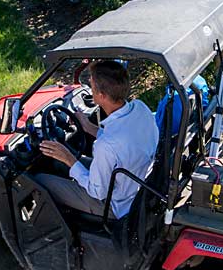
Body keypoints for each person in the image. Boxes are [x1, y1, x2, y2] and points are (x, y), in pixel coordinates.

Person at [36, 60, 159, 219]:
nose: (90, 91)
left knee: (40, 180)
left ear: (101, 96)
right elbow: (123, 141)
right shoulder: (140, 108)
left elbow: (96, 191)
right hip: (137, 184)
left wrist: (69, 158)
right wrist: (87, 126)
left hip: (115, 206)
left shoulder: (105, 145)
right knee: (57, 163)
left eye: (92, 87)